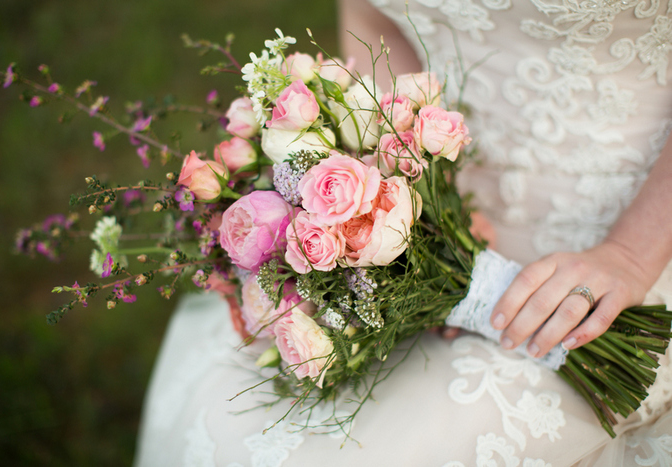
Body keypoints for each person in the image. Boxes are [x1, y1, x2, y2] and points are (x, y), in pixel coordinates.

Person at [135, 1, 672, 465]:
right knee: (236, 429)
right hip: (444, 204)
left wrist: (628, 256)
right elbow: (375, 19)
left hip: (635, 226)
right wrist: (406, 196)